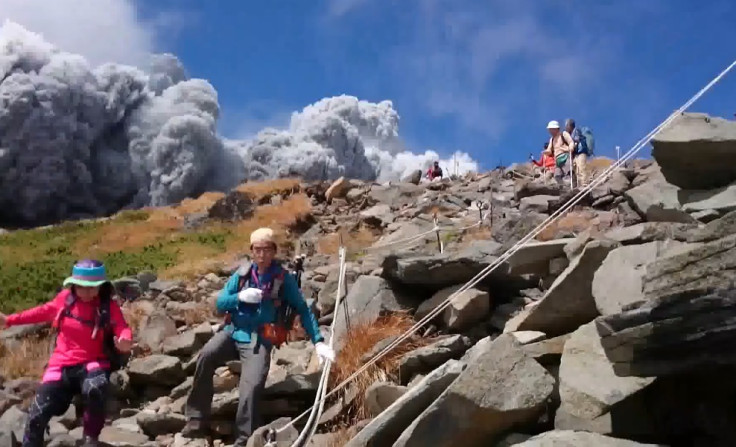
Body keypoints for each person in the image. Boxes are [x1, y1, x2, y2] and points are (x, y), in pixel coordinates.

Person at [182, 228, 335, 446]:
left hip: (259, 341)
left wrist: (318, 341)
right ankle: (196, 419)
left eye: (266, 249)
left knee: (251, 386)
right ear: (252, 251)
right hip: (232, 332)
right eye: (257, 250)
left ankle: (245, 438)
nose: (261, 254)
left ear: (274, 251)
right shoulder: (242, 275)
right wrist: (239, 297)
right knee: (206, 356)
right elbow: (220, 302)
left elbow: (302, 308)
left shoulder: (282, 279)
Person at [0, 260, 133, 447]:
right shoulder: (65, 300)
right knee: (37, 411)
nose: (88, 292)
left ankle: (90, 438)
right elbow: (42, 312)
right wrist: (10, 320)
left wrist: (124, 339)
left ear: (101, 286)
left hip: (93, 362)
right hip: (61, 364)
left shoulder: (107, 306)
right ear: (74, 285)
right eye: (82, 287)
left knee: (96, 387)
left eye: (93, 287)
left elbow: (121, 327)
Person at [546, 120, 575, 184]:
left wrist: (571, 147)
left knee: (568, 172)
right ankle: (563, 187)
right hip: (557, 159)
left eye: (551, 129)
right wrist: (547, 152)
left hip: (565, 156)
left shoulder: (563, 134)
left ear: (556, 129)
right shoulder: (552, 139)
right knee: (557, 176)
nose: (550, 131)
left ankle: (573, 186)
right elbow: (549, 150)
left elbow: (571, 142)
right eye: (550, 129)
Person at [565, 118, 589, 187]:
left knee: (581, 168)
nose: (566, 127)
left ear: (570, 126)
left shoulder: (576, 131)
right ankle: (578, 185)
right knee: (575, 170)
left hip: (580, 152)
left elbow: (577, 140)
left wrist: (572, 146)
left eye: (567, 126)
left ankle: (584, 184)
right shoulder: (571, 134)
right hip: (576, 153)